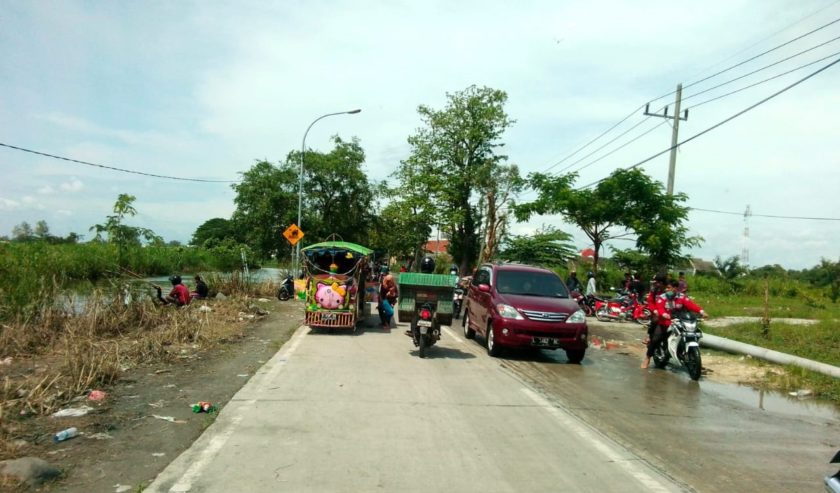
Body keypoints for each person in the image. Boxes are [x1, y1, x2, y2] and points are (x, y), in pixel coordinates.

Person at [642, 279, 707, 369]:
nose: (666, 290)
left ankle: (687, 354)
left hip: (679, 321)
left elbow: (691, 305)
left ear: (675, 288)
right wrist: (664, 314)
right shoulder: (662, 297)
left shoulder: (682, 297)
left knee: (692, 333)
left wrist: (701, 311)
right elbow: (660, 308)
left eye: (669, 288)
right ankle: (647, 358)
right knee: (656, 339)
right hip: (664, 322)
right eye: (666, 288)